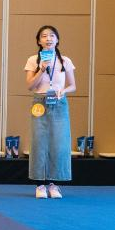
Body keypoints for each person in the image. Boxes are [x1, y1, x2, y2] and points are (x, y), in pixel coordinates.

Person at [25, 24, 76, 199]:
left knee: (59, 142)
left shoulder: (65, 60)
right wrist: (41, 69)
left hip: (59, 102)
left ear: (57, 40)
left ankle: (54, 184)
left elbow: (73, 85)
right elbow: (30, 86)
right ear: (39, 41)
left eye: (52, 35)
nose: (48, 39)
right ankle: (40, 185)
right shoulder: (33, 59)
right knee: (39, 142)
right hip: (40, 102)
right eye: (44, 36)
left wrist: (63, 90)